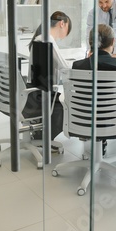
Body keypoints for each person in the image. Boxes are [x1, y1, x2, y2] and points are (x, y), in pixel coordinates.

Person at [24, 11, 72, 141]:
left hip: (32, 91)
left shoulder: (40, 37)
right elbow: (65, 68)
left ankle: (41, 135)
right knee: (67, 105)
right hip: (41, 95)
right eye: (68, 29)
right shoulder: (48, 41)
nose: (65, 36)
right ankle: (43, 138)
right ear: (62, 24)